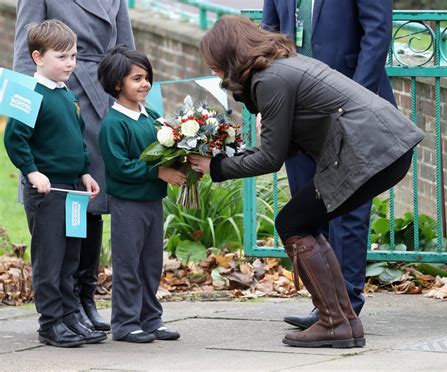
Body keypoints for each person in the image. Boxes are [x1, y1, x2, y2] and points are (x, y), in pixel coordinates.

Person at [189, 15, 423, 348]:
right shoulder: (281, 66)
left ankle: (334, 322)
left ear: (230, 55)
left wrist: (216, 167)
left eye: (214, 64)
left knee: (292, 222)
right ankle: (344, 322)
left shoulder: (270, 79)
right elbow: (282, 143)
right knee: (304, 221)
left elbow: (271, 158)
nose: (213, 71)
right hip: (382, 147)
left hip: (372, 151)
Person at [261, 0, 396, 329]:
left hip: (351, 108)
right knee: (309, 210)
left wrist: (354, 99)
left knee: (349, 211)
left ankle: (346, 303)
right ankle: (323, 302)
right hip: (296, 109)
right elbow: (268, 35)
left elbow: (377, 34)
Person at [12, 0, 136, 331]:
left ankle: (85, 298)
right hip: (55, 96)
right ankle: (63, 309)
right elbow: (27, 50)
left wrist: (130, 96)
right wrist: (27, 102)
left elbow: (125, 48)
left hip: (102, 96)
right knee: (60, 205)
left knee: (93, 199)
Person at [4, 20, 107, 347]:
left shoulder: (66, 95)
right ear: (37, 57)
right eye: (62, 57)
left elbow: (78, 140)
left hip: (73, 191)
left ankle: (69, 316)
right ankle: (50, 324)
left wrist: (86, 172)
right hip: (47, 194)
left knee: (70, 259)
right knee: (50, 261)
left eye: (73, 56)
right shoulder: (27, 94)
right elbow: (14, 139)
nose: (70, 63)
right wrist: (32, 172)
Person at [98, 46, 184, 343]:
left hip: (152, 203)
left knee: (150, 264)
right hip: (128, 206)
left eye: (147, 77)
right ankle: (124, 322)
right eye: (136, 78)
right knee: (128, 264)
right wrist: (158, 173)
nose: (145, 83)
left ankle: (150, 319)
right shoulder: (113, 123)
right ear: (117, 83)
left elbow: (168, 150)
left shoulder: (153, 117)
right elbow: (120, 167)